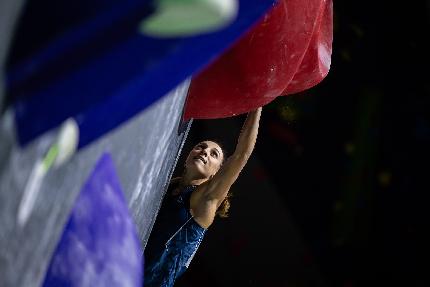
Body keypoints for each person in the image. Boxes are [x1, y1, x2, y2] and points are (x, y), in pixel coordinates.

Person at [144, 107, 262, 287]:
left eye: (214, 154)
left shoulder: (203, 201)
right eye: (201, 147)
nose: (205, 152)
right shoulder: (167, 186)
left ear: (216, 174)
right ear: (187, 157)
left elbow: (241, 155)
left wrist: (258, 104)